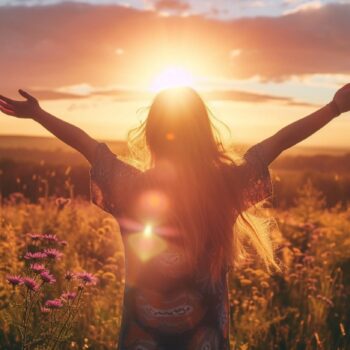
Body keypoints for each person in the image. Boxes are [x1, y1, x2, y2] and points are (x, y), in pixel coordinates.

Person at [0, 85, 349, 350]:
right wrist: (334, 107)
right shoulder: (225, 186)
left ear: (153, 133)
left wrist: (38, 115)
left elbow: (87, 145)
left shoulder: (130, 185)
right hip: (207, 338)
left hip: (141, 338)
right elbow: (279, 142)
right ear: (203, 131)